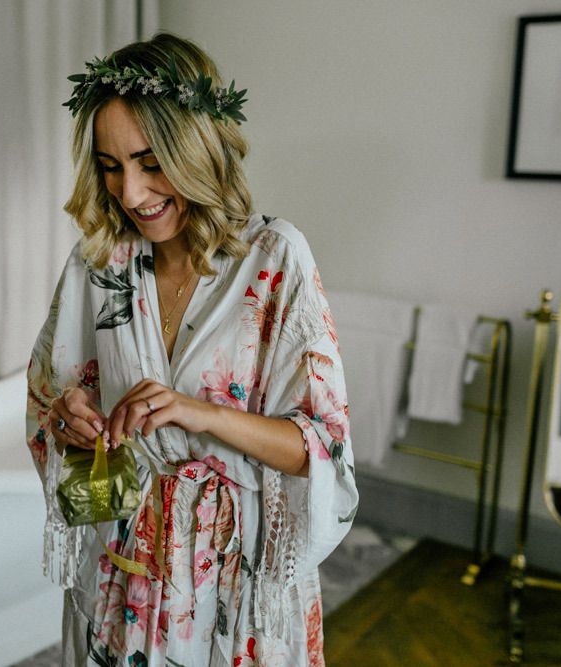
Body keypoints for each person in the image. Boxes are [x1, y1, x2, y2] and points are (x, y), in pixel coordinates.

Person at [26, 32, 358, 667]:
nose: (129, 193)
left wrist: (199, 412)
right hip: (119, 576)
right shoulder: (100, 264)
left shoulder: (274, 260)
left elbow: (323, 446)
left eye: (151, 162)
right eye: (110, 165)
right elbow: (54, 415)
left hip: (235, 579)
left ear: (198, 149)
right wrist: (69, 423)